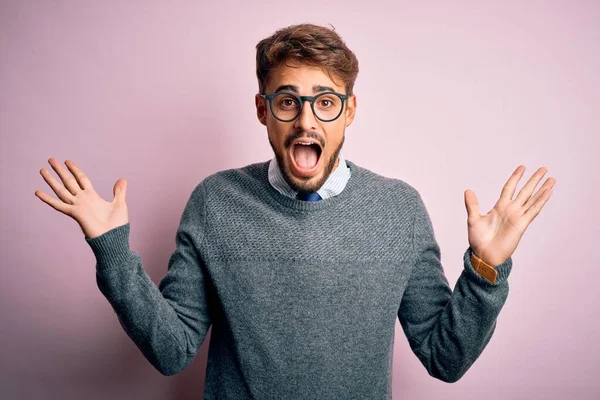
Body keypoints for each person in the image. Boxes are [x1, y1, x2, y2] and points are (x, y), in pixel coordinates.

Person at [34, 23, 555, 400]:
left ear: (349, 110)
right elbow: (172, 352)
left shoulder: (398, 210)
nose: (307, 121)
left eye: (325, 102)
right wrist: (112, 253)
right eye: (288, 101)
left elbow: (445, 358)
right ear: (263, 109)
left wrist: (486, 271)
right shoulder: (215, 203)